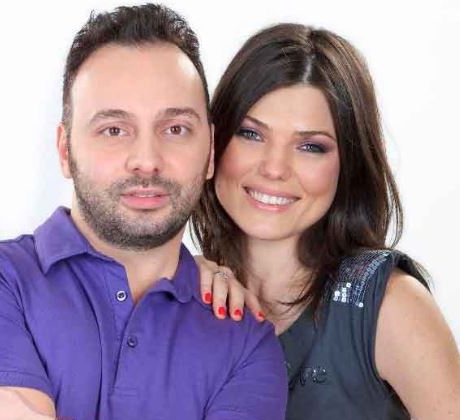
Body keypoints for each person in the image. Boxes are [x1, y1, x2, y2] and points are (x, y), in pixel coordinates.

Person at [0, 5, 288, 419]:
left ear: (209, 152)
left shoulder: (248, 345)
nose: (146, 161)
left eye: (175, 129)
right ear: (65, 150)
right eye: (114, 130)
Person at [191, 23, 460, 419]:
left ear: (348, 164)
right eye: (251, 134)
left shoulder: (390, 307)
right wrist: (179, 279)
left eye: (310, 146)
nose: (274, 168)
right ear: (213, 143)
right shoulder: (187, 294)